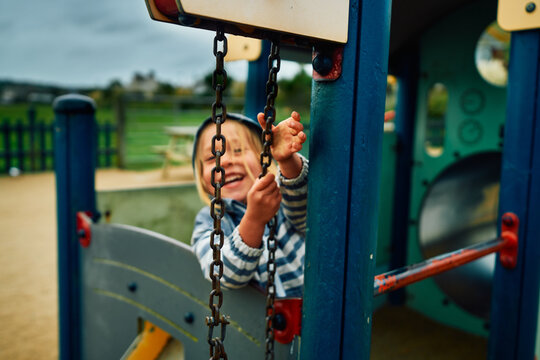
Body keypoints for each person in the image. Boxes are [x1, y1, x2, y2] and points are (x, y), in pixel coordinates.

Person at [191, 111, 308, 297]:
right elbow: (222, 274)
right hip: (260, 323)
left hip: (316, 309)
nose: (226, 161)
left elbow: (307, 211)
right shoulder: (209, 221)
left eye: (238, 150)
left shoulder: (282, 191)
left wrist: (287, 161)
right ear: (202, 177)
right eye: (213, 158)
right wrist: (254, 220)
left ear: (264, 157)